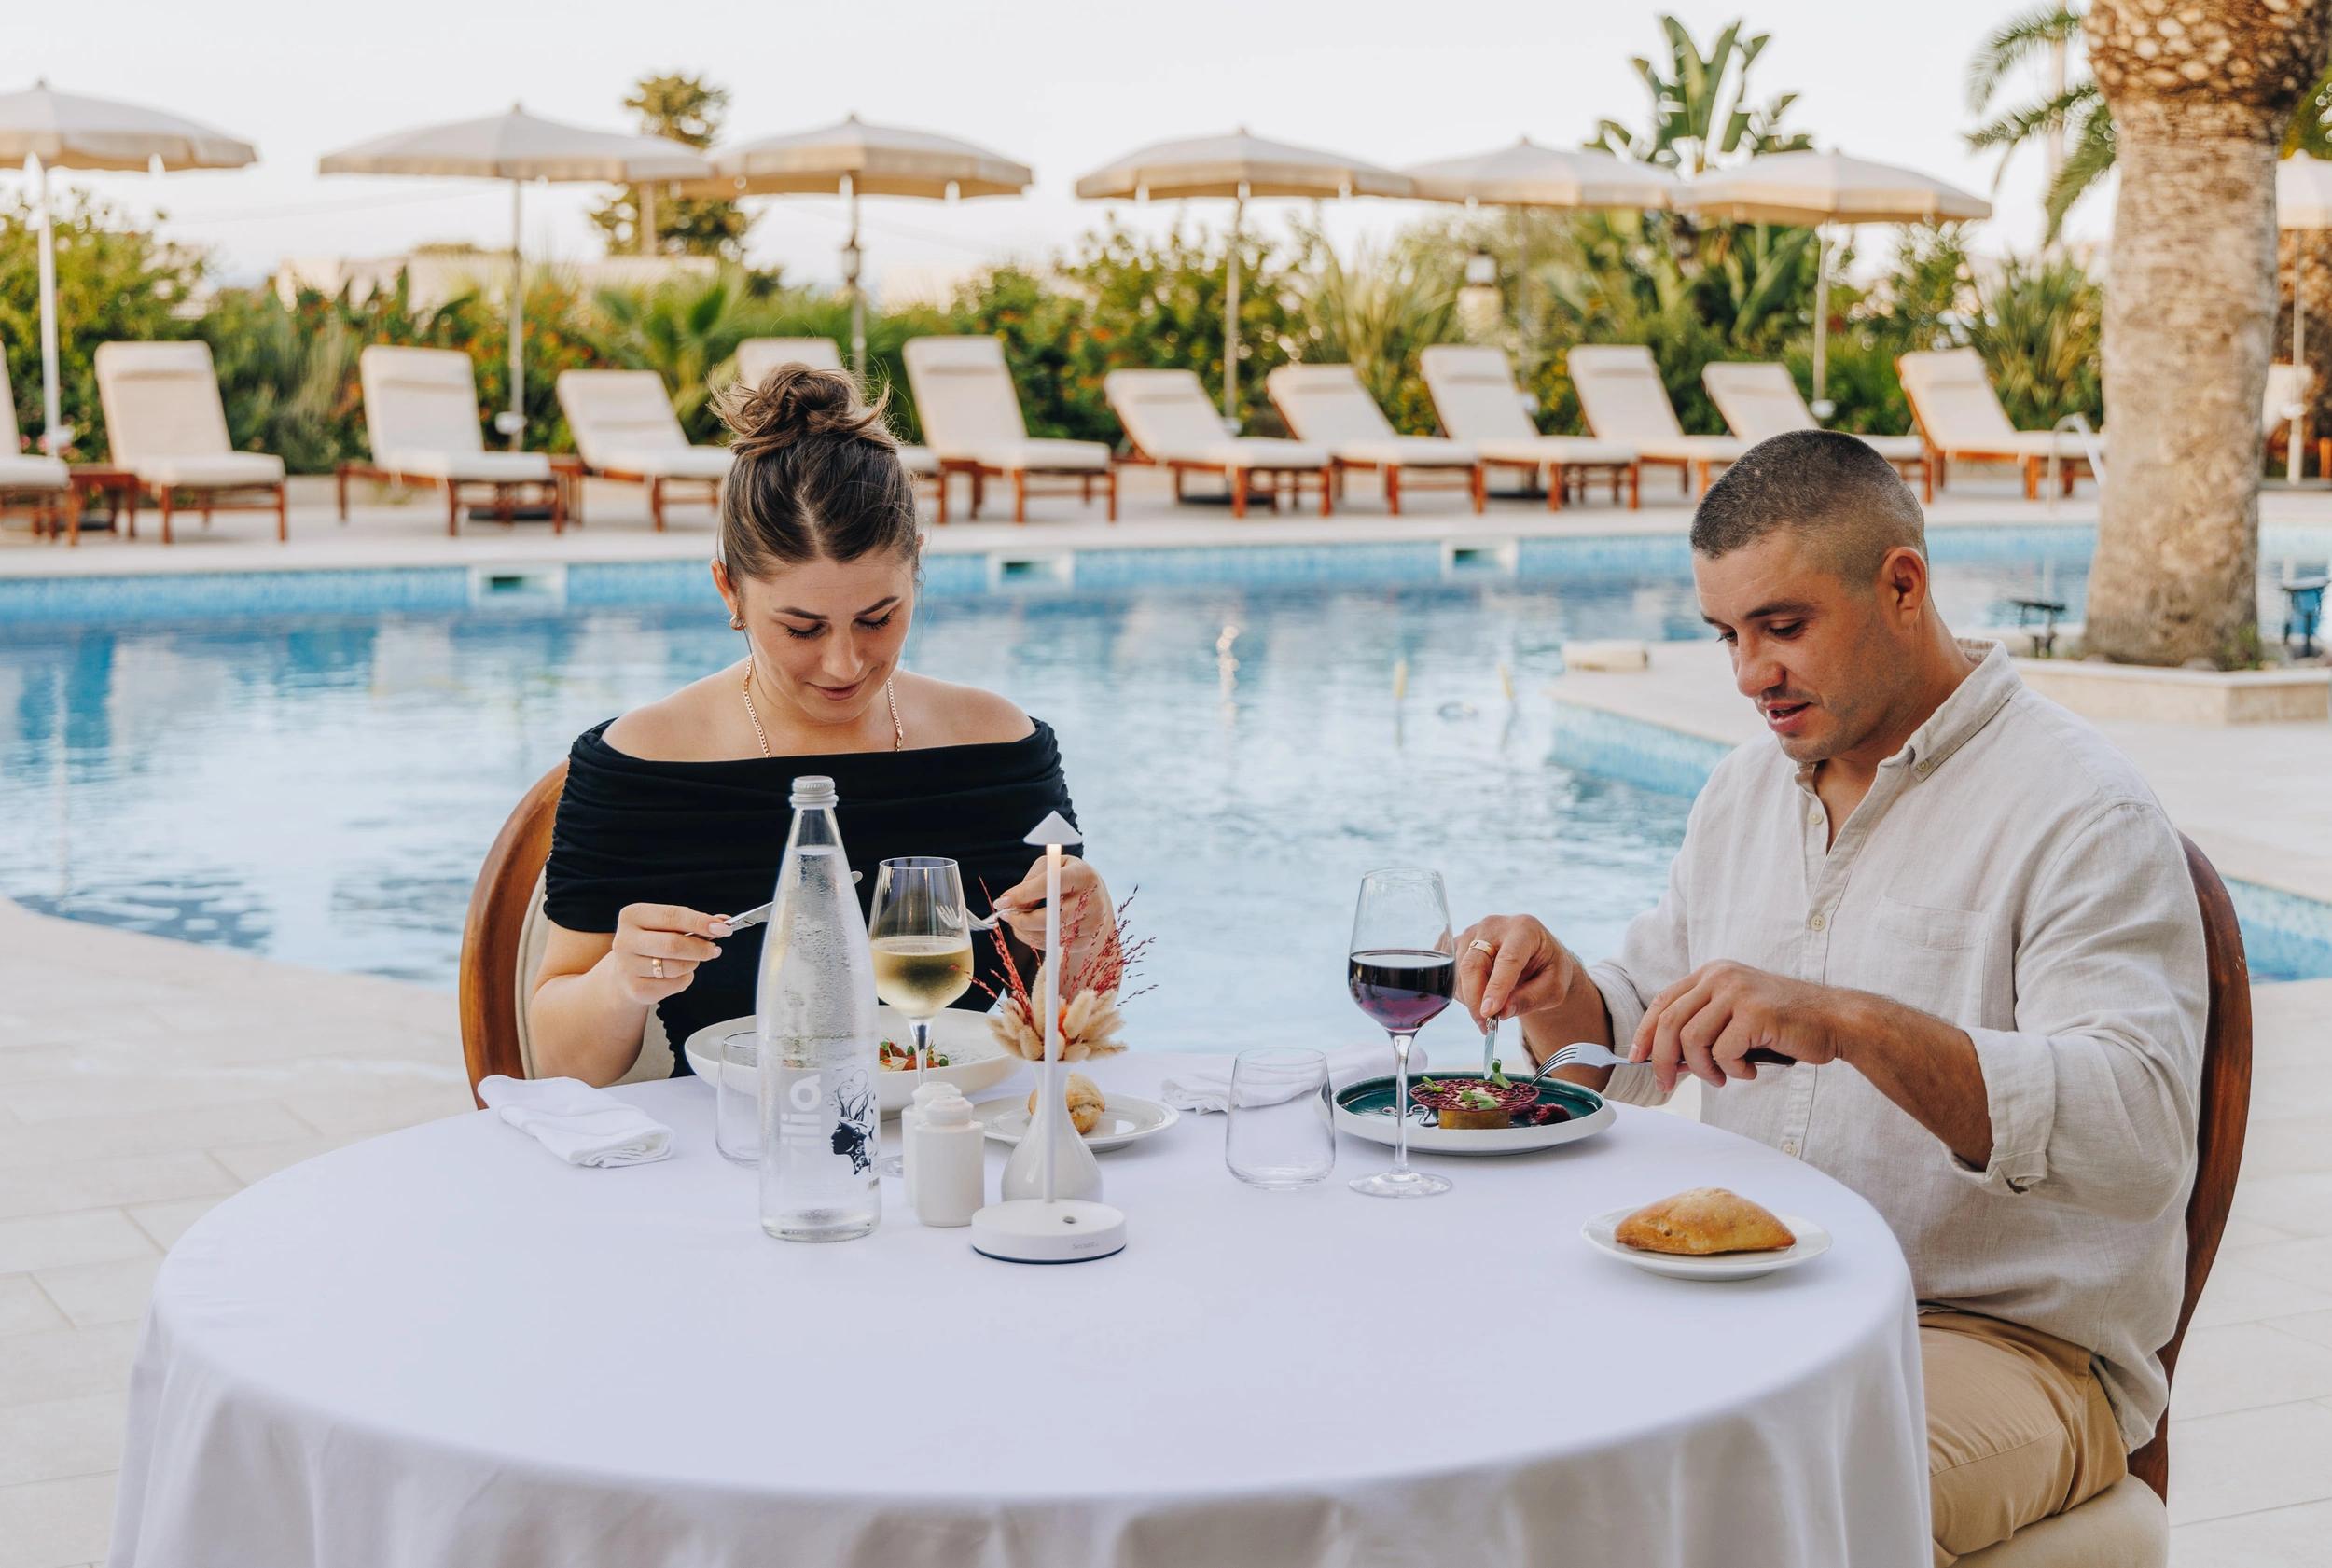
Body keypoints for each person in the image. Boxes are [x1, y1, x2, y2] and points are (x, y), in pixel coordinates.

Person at [1457, 431, 2204, 1564]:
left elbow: (2138, 1129)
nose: (1751, 672)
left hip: (2003, 1345)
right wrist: (1558, 987)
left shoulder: (2079, 810)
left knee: (1742, 1501)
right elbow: (1633, 1048)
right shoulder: (1742, 789)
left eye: (1783, 626)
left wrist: (1847, 1020)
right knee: (1508, 1420)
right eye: (1728, 635)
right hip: (1759, 1304)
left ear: (1901, 584)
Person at [531, 364, 1111, 1086]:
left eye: (879, 618)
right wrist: (623, 979)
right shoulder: (643, 763)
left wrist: (1087, 928)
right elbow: (558, 1058)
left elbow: (1079, 1023)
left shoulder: (997, 745)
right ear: (729, 589)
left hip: (969, 1149)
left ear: (916, 569)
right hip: (742, 1156)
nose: (844, 664)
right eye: (801, 627)